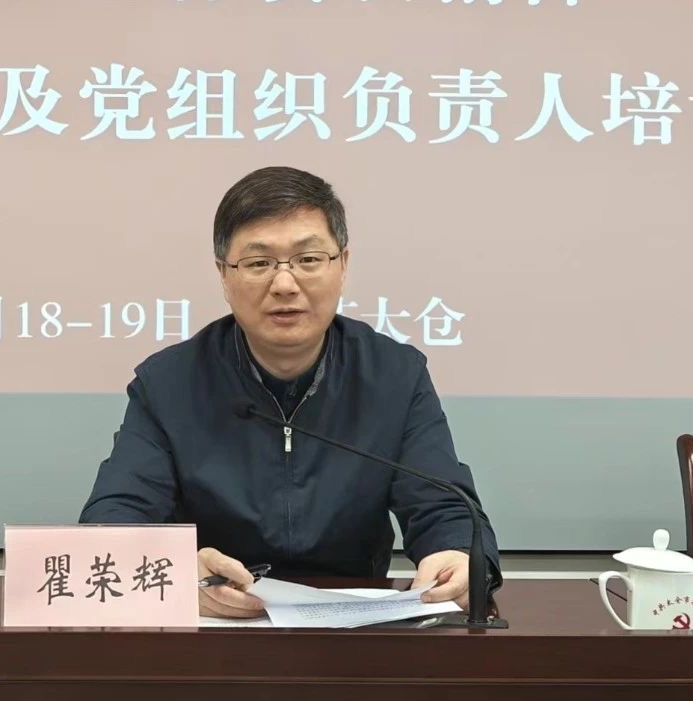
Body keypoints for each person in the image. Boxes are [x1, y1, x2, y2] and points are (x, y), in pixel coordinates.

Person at [80, 166, 500, 618]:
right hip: (212, 627)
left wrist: (457, 555)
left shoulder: (394, 375)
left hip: (352, 631)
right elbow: (114, 520)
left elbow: (444, 506)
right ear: (223, 275)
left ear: (343, 265)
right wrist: (179, 574)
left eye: (308, 259)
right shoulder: (169, 383)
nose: (284, 284)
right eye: (258, 263)